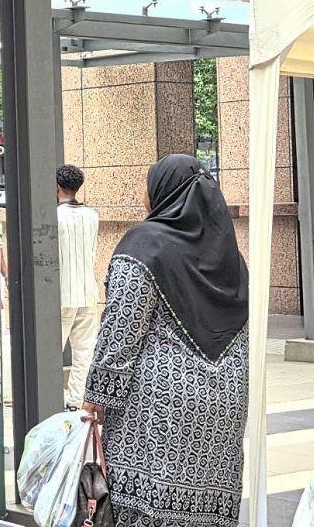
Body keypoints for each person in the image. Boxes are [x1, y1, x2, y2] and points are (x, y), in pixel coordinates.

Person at [81, 154, 248, 527]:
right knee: (207, 507)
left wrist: (97, 395)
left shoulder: (144, 244)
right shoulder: (231, 258)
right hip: (224, 406)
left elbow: (121, 330)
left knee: (149, 503)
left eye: (148, 183)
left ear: (165, 192)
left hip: (159, 407)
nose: (143, 192)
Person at [55, 164, 100, 409]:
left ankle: (52, 399)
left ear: (56, 187)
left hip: (62, 293)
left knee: (53, 351)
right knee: (84, 352)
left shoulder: (54, 217)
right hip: (88, 292)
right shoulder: (92, 216)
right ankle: (75, 402)